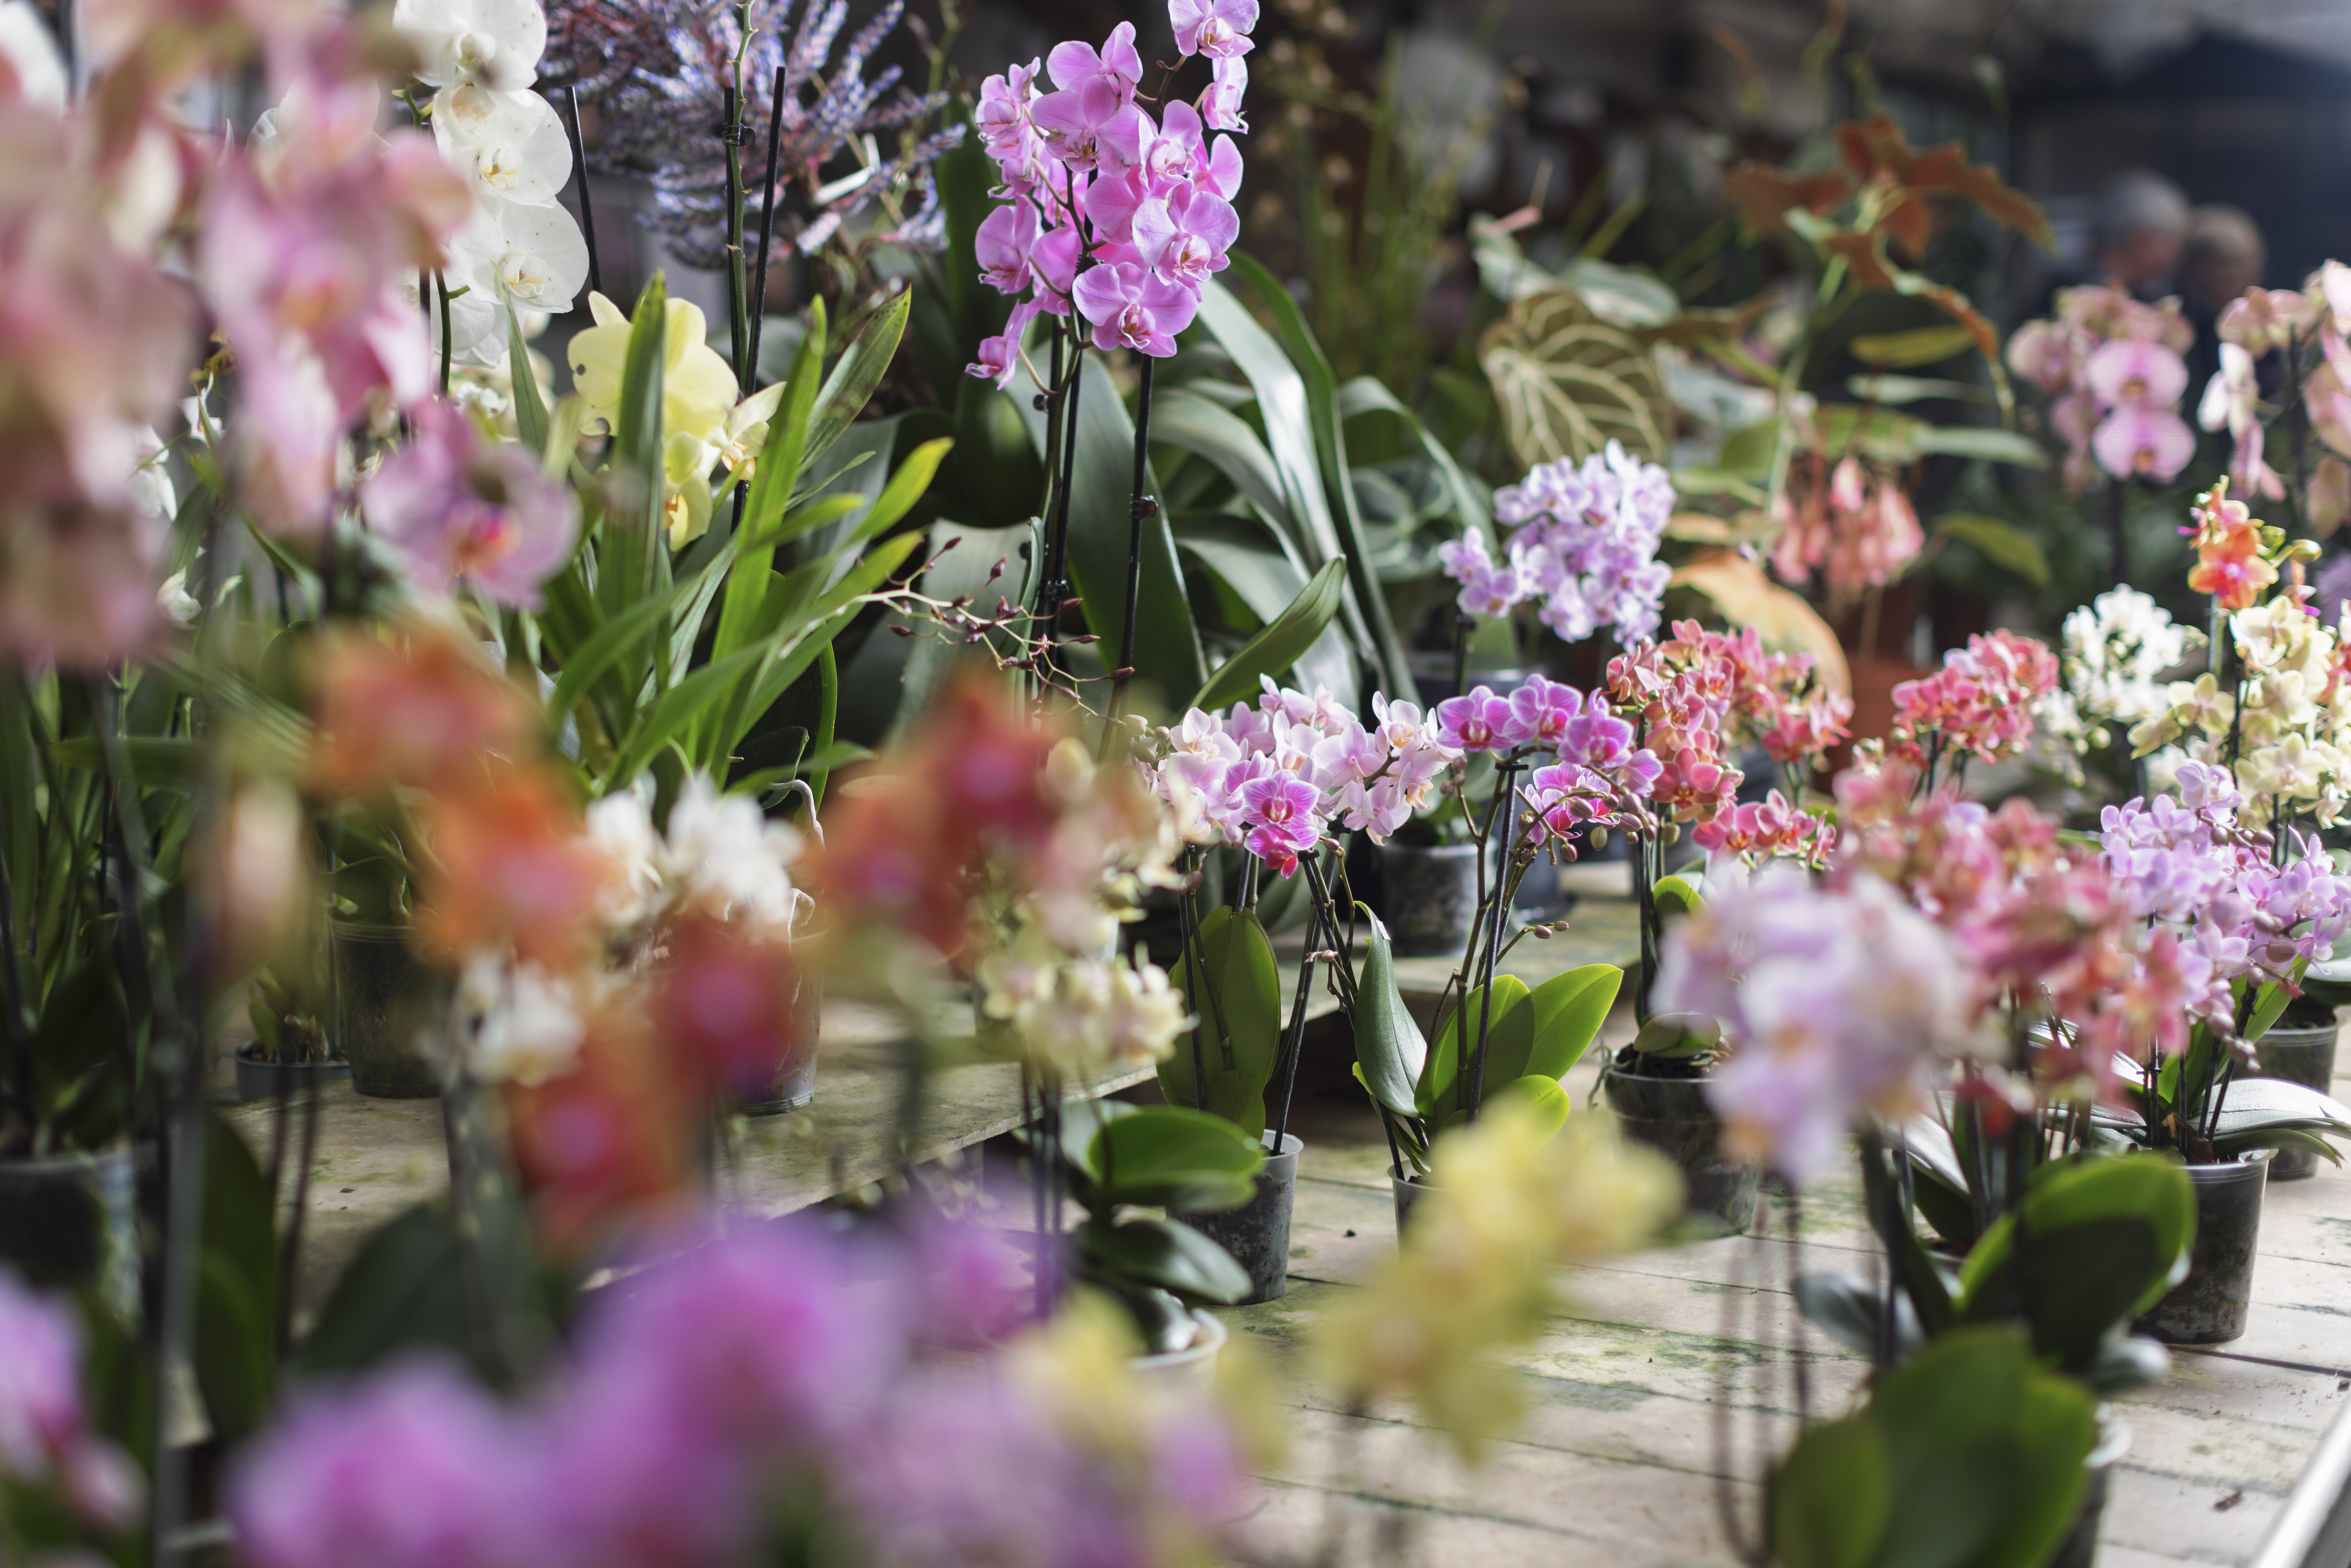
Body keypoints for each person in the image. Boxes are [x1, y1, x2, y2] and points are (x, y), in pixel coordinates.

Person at [2180, 203, 2267, 405]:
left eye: (2246, 263)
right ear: (2196, 269)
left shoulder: (2265, 326)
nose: (2238, 275)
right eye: (2225, 264)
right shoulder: (2185, 326)